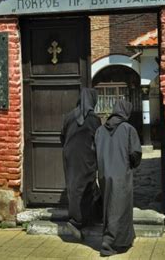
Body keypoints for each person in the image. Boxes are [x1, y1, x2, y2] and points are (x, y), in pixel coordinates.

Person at [94, 100, 142, 257]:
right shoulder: (128, 129)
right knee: (120, 209)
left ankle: (126, 238)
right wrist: (132, 165)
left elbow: (94, 152)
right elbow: (135, 153)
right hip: (121, 174)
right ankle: (110, 243)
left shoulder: (100, 130)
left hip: (104, 175)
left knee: (109, 207)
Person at [60, 88, 102, 241]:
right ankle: (77, 221)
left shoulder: (69, 116)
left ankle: (82, 219)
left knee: (73, 186)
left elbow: (62, 136)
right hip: (87, 157)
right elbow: (99, 140)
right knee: (86, 186)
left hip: (70, 156)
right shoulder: (94, 119)